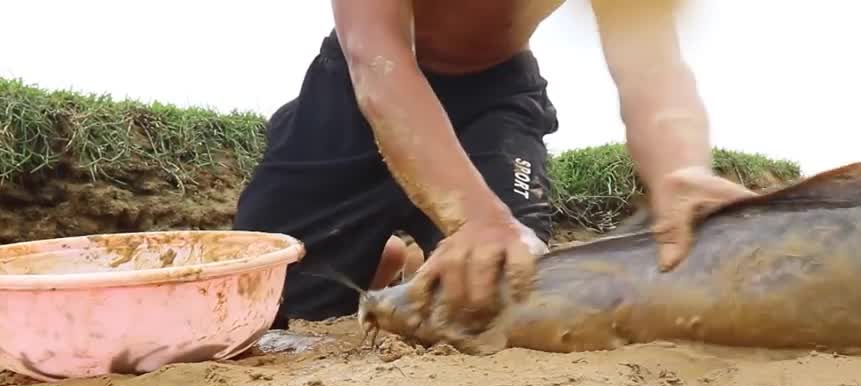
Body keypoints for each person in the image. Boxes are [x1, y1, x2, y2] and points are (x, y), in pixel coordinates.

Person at [234, 0, 756, 331]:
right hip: (353, 91)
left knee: (501, 294)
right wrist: (472, 216)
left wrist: (679, 173)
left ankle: (418, 256)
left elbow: (651, 67)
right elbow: (376, 55)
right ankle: (384, 255)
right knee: (263, 311)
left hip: (494, 99)